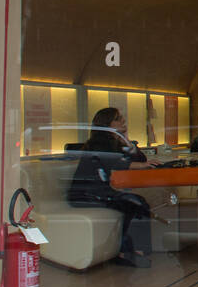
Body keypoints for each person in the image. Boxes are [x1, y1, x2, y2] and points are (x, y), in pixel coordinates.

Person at [68, 107, 159, 268]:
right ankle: (125, 251)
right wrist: (142, 165)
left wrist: (125, 139)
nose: (123, 120)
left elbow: (139, 157)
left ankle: (131, 250)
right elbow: (116, 162)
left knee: (136, 204)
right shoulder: (99, 143)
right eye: (118, 118)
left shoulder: (113, 141)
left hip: (99, 192)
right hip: (86, 194)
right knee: (134, 204)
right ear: (107, 123)